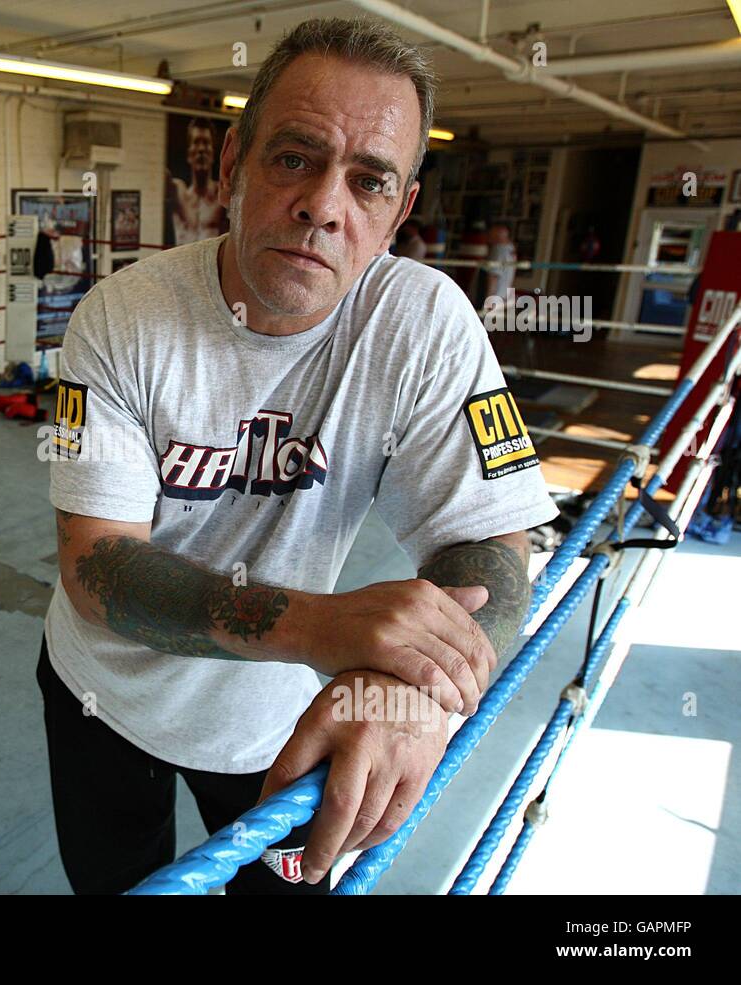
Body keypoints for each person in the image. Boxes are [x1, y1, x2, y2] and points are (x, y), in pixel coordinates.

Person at [39, 16, 559, 895]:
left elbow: (494, 540)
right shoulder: (118, 317)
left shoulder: (423, 324)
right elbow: (96, 565)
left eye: (368, 180)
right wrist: (326, 626)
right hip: (102, 695)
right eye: (294, 158)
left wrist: (423, 687)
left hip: (281, 724)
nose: (325, 204)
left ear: (402, 210)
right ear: (234, 163)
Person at [166, 118, 227, 245]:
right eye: (196, 142)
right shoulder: (179, 193)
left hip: (211, 264)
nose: (201, 149)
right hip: (183, 263)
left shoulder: (221, 194)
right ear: (189, 154)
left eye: (206, 143)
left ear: (213, 153)